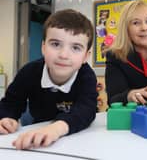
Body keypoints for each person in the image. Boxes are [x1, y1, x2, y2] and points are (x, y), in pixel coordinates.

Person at [0, 9, 98, 150]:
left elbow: (87, 109)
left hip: (76, 137)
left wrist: (56, 129)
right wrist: (6, 118)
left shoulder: (86, 76)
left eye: (76, 47)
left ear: (85, 56)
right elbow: (10, 103)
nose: (64, 55)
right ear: (43, 47)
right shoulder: (29, 72)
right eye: (55, 44)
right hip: (39, 131)